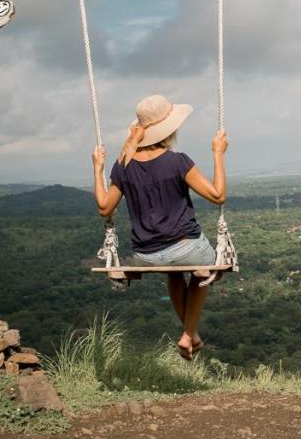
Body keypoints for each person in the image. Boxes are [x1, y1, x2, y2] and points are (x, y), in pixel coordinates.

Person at [92, 94, 228, 360]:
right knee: (203, 271)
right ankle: (189, 332)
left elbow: (104, 208)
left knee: (174, 272)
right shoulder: (177, 162)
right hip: (187, 249)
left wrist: (97, 170)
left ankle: (192, 334)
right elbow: (217, 195)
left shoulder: (123, 166)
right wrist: (218, 153)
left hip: (146, 255)